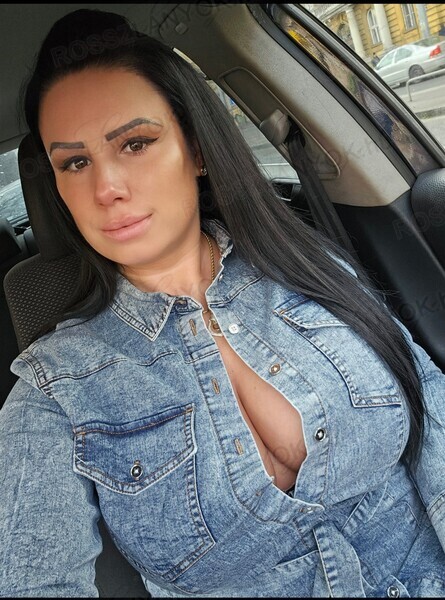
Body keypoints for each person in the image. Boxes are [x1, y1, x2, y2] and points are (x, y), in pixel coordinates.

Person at [1, 8, 445, 598]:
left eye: (135, 143)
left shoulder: (307, 262)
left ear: (197, 149)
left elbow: (433, 412)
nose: (106, 188)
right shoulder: (53, 389)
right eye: (75, 162)